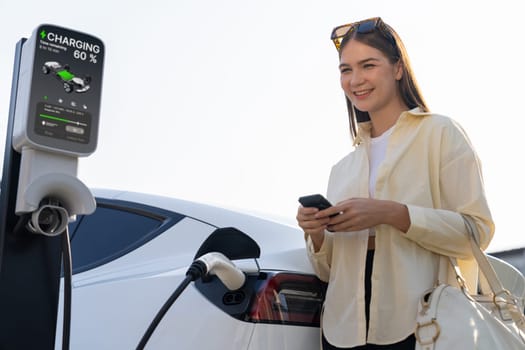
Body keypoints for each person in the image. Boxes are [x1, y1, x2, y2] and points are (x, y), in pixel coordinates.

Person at [296, 17, 494, 350]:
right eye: (346, 70)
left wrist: (392, 213)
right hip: (345, 331)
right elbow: (328, 271)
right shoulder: (342, 168)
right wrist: (315, 231)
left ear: (398, 68)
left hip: (422, 324)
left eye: (368, 65)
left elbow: (477, 233)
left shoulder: (441, 134)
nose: (355, 80)